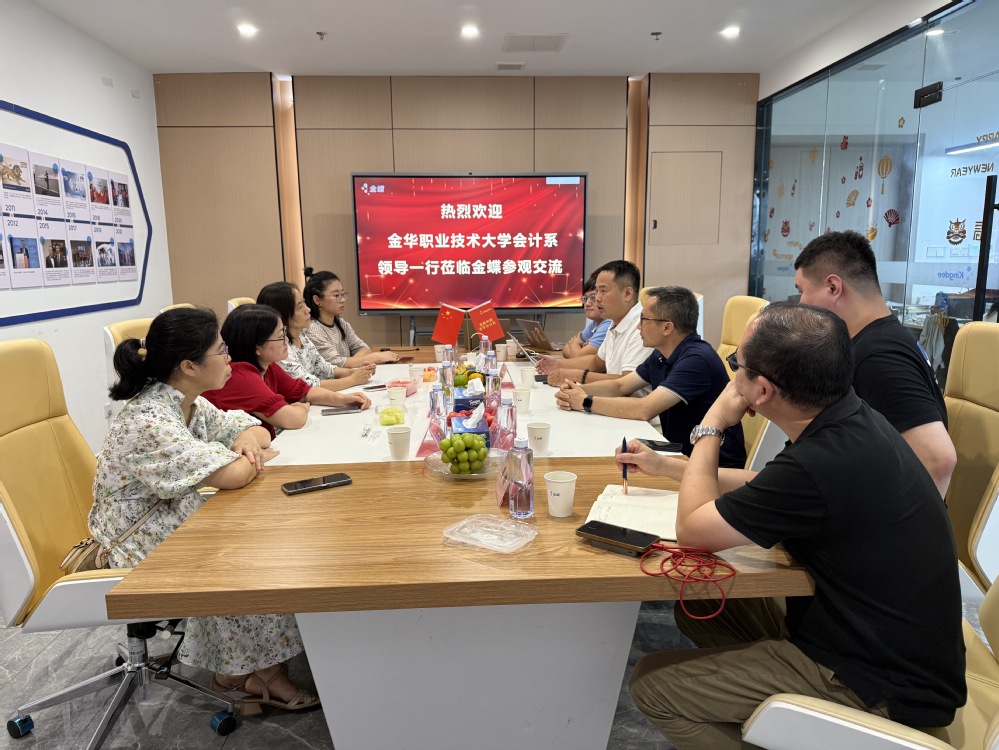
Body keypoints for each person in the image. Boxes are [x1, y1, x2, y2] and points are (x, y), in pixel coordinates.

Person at [620, 302, 966, 749]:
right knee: (706, 606)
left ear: (762, 390)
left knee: (652, 685)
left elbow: (692, 530)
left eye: (737, 365)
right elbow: (769, 485)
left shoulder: (822, 459)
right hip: (895, 649)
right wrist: (667, 467)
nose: (732, 375)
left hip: (878, 682)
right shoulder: (849, 417)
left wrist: (712, 424)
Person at [90, 307, 322, 714]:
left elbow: (253, 429)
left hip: (170, 517)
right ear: (189, 366)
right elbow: (232, 475)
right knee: (240, 560)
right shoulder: (150, 420)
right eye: (221, 350)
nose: (230, 358)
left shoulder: (186, 402)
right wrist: (242, 455)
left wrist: (245, 443)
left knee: (260, 536)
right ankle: (252, 672)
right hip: (133, 540)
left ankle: (247, 665)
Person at [794, 230, 956, 497]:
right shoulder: (879, 340)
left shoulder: (877, 355)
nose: (801, 303)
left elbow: (938, 460)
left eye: (801, 291)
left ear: (833, 287)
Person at [556, 286, 746, 467]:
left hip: (713, 465)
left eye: (644, 319)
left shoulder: (696, 359)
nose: (638, 326)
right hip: (680, 451)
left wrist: (585, 401)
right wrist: (576, 391)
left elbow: (644, 408)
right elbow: (620, 386)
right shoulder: (661, 354)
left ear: (667, 328)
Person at [204, 304, 370, 437]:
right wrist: (302, 408)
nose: (286, 339)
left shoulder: (267, 366)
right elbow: (293, 419)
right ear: (257, 347)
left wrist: (344, 400)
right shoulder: (241, 375)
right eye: (280, 335)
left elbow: (305, 392)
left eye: (284, 331)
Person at [536, 260, 652, 391]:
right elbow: (597, 362)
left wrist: (575, 375)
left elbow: (627, 382)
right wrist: (557, 364)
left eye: (603, 291)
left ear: (627, 294)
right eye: (597, 291)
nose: (597, 298)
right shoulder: (615, 321)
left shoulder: (642, 327)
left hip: (631, 401)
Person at [256, 281, 376, 390]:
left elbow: (325, 368)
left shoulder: (302, 336)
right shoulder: (280, 348)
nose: (308, 309)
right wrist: (353, 379)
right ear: (281, 314)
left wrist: (358, 372)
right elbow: (307, 385)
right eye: (299, 306)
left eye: (304, 303)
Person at [304, 269, 399, 367]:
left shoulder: (341, 323)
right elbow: (336, 364)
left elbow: (364, 348)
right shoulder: (313, 330)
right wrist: (374, 357)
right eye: (336, 295)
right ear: (317, 300)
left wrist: (352, 362)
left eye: (342, 294)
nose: (342, 300)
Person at [560, 275, 611, 359]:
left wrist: (575, 343)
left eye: (592, 298)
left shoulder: (608, 323)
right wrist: (578, 349)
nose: (587, 304)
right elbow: (565, 349)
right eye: (585, 299)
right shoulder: (595, 323)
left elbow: (578, 357)